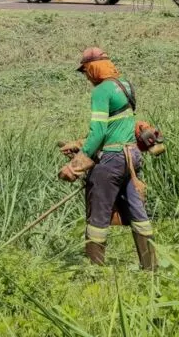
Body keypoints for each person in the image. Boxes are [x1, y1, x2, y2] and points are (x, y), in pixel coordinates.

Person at [58, 47, 156, 270]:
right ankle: (151, 268)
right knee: (138, 213)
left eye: (85, 71)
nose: (86, 76)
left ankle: (95, 273)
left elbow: (100, 133)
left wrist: (76, 165)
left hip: (111, 160)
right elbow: (118, 127)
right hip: (132, 155)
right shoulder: (126, 86)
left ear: (92, 68)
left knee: (97, 218)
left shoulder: (101, 91)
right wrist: (80, 143)